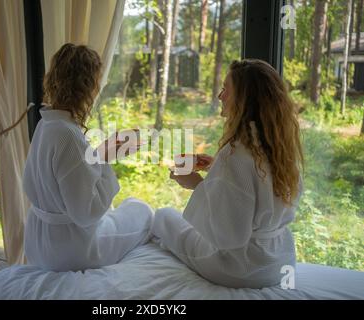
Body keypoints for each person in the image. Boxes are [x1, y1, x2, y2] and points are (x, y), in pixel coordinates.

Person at [152, 59, 304, 289]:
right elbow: (259, 188)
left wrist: (197, 184)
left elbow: (227, 236)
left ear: (244, 99)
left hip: (238, 269)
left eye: (225, 89)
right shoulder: (281, 145)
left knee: (163, 216)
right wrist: (216, 170)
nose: (220, 96)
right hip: (280, 262)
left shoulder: (234, 154)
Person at [23, 43, 153, 272]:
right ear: (87, 86)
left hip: (38, 243)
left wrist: (100, 152)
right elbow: (86, 213)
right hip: (73, 251)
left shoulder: (46, 125)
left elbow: (64, 179)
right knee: (142, 210)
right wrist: (104, 158)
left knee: (129, 206)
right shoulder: (67, 135)